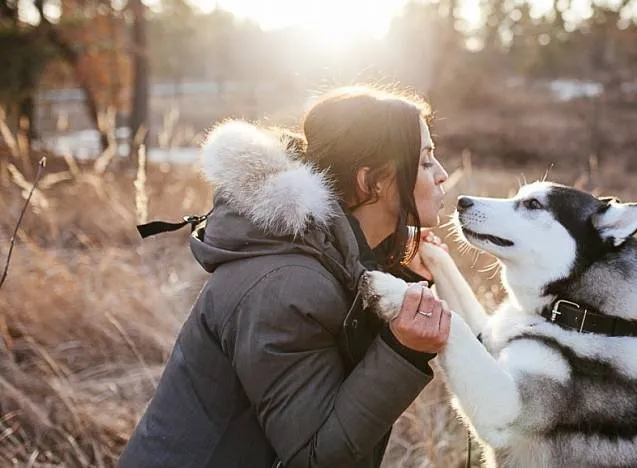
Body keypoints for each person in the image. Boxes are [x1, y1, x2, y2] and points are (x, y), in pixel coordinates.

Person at [119, 85, 452, 467]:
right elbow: (313, 458)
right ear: (371, 182)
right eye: (426, 161)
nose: (441, 174)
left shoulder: (319, 257)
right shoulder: (286, 285)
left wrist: (393, 266)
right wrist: (403, 349)